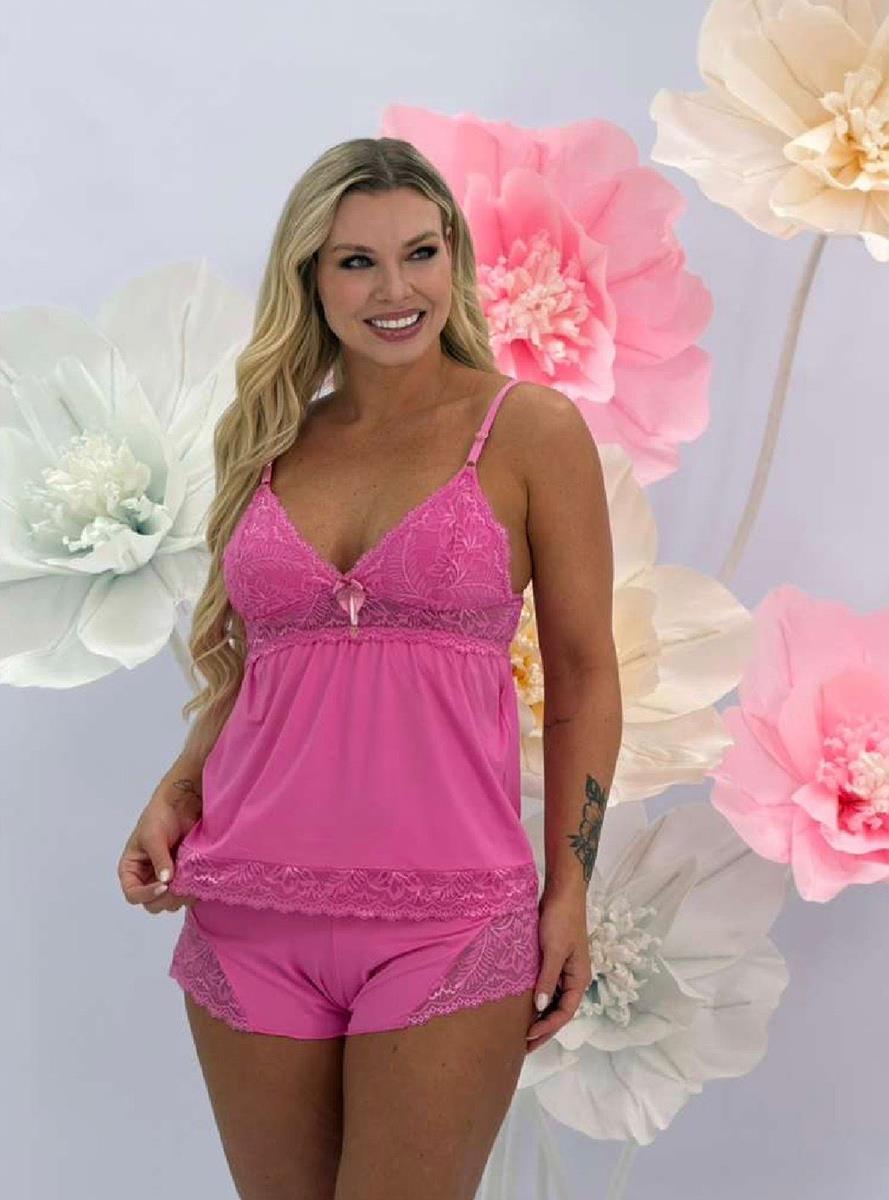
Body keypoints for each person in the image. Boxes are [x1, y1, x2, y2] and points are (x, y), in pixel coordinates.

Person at [117, 136, 621, 1200]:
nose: (396, 290)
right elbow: (258, 662)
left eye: (420, 253)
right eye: (357, 261)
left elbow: (583, 678)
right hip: (247, 909)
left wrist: (568, 890)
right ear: (310, 277)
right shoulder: (268, 440)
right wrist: (178, 786)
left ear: (454, 262)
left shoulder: (528, 431)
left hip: (450, 919)